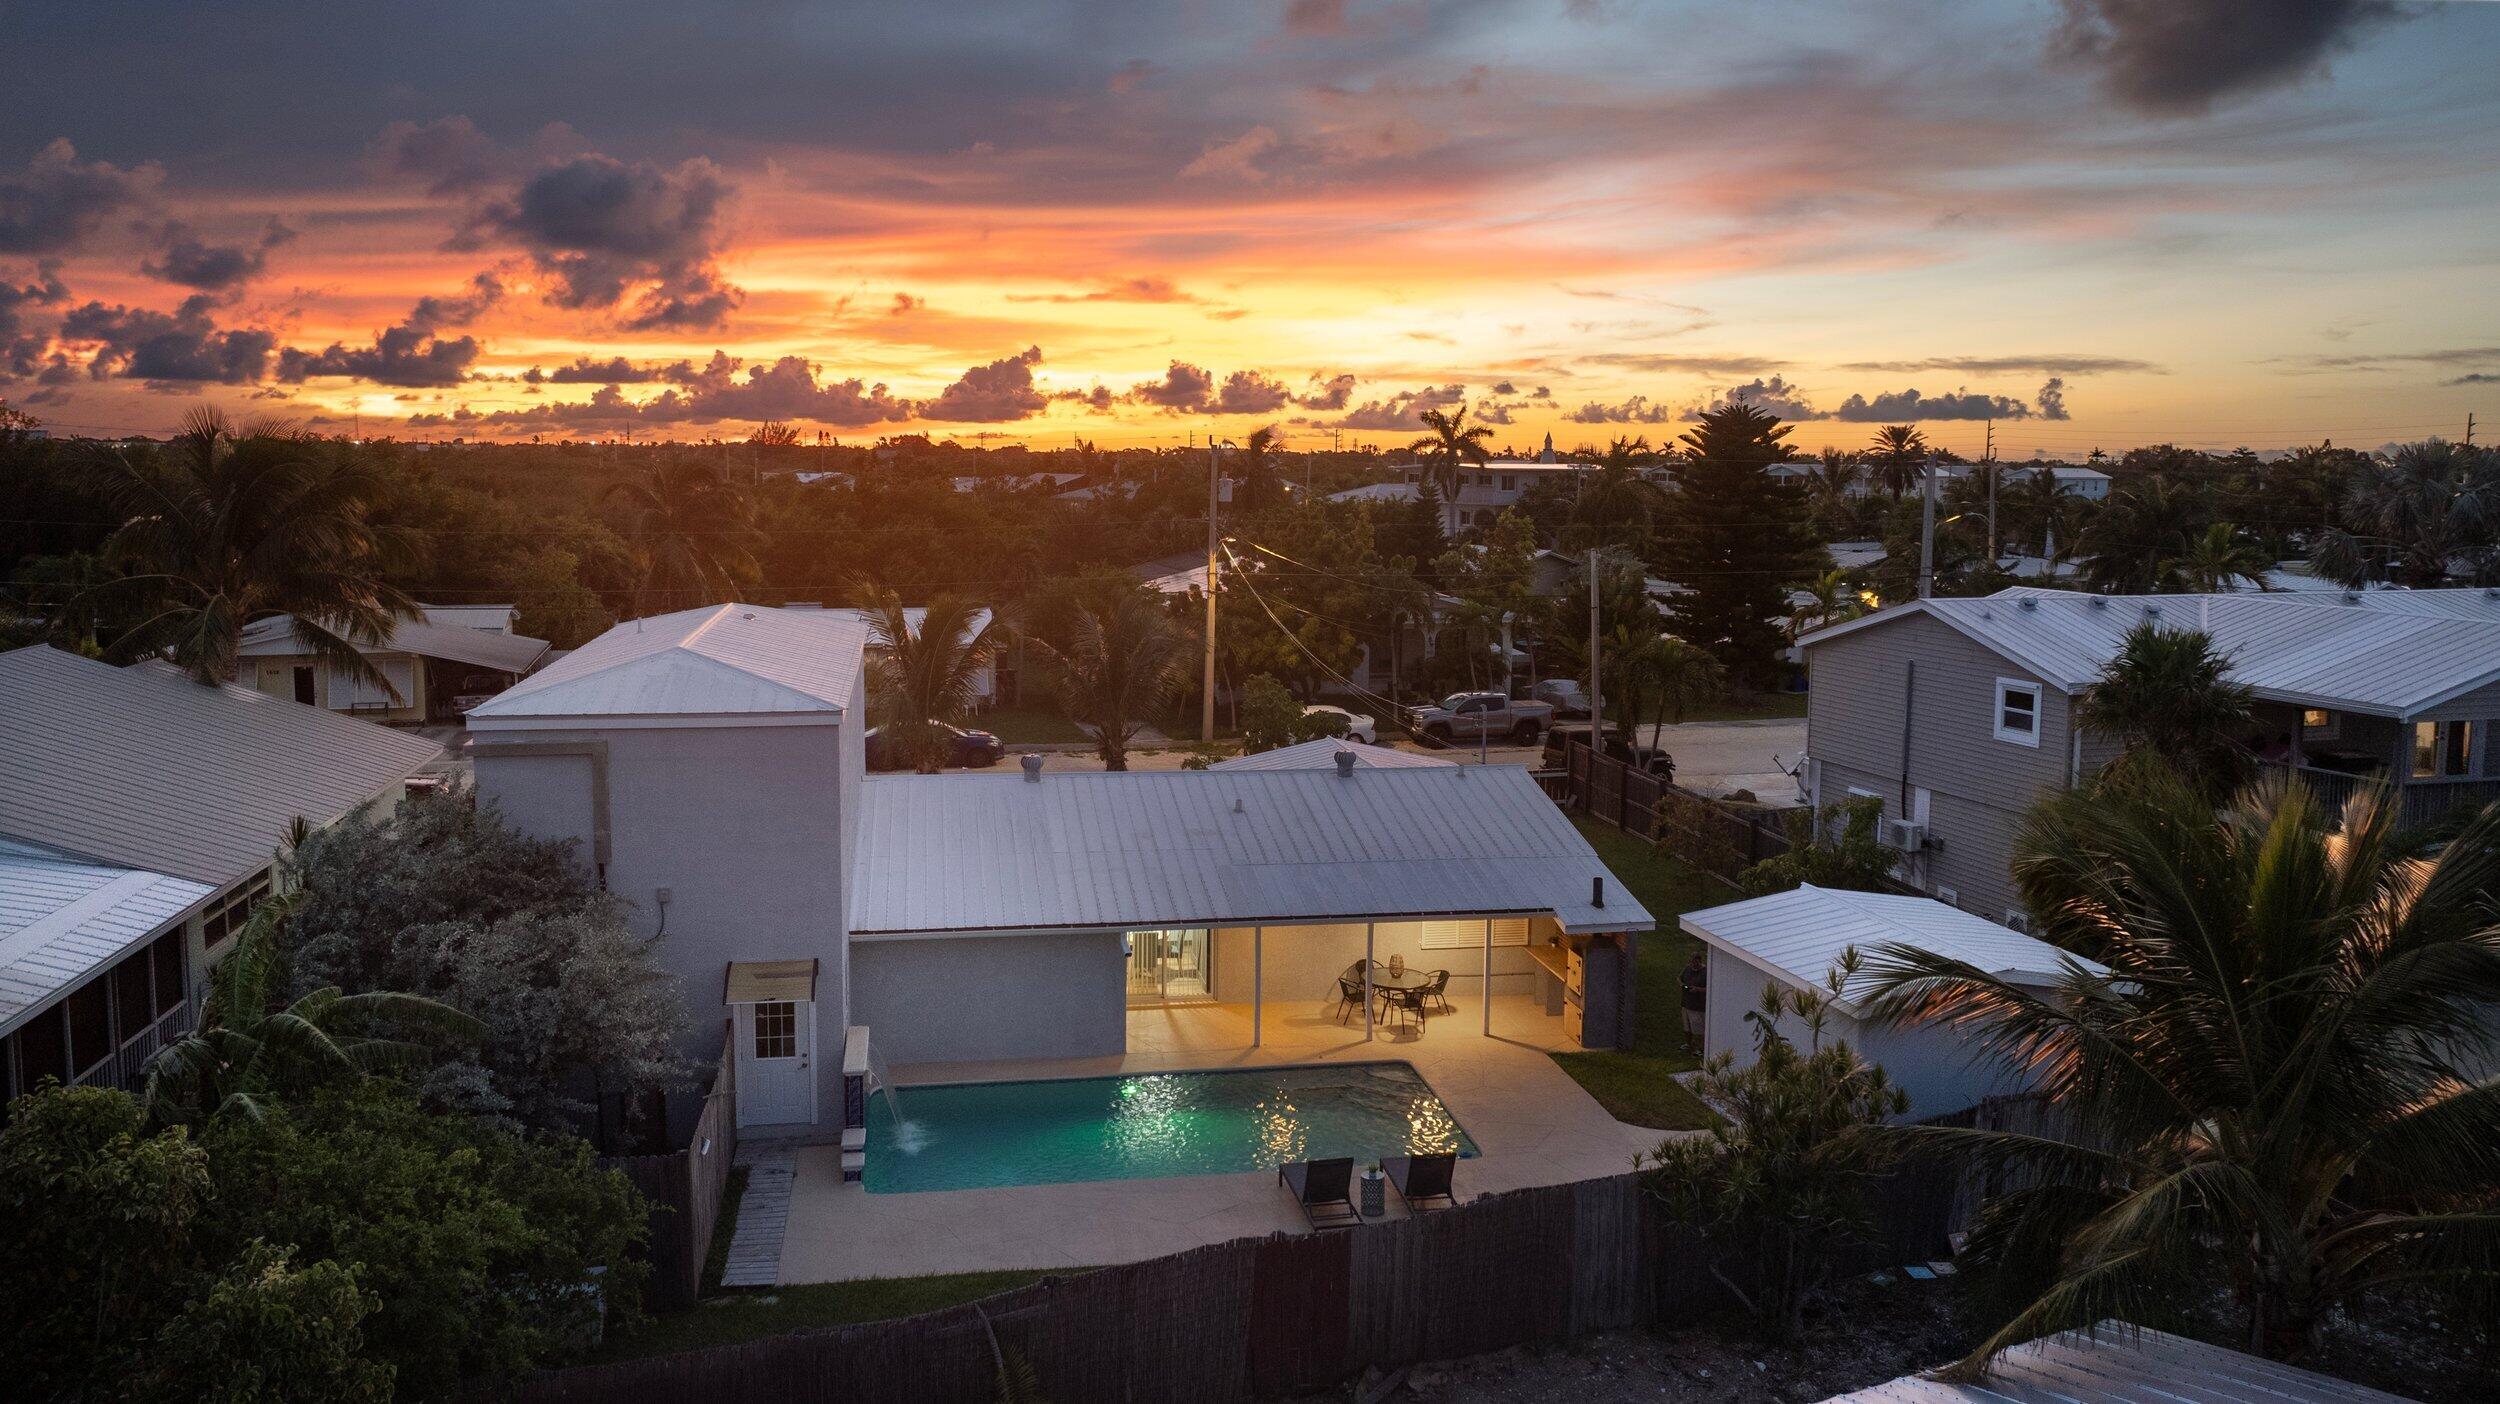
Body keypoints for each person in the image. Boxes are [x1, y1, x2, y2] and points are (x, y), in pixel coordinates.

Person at [1679, 951, 1708, 1053]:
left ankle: (1700, 1048)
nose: (1693, 965)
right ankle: (1688, 1044)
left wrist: (1697, 989)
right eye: (1691, 962)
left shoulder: (1706, 972)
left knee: (1698, 1028)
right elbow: (1679, 979)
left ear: (1699, 961)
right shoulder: (1687, 969)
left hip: (1698, 1005)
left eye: (1695, 963)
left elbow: (1709, 989)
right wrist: (1682, 985)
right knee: (1687, 1027)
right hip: (1686, 1003)